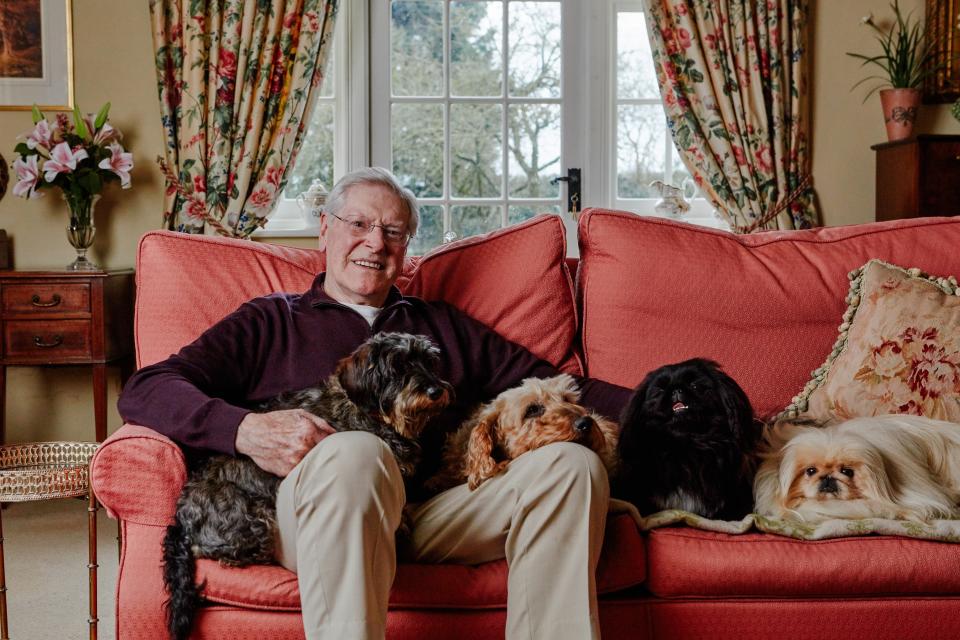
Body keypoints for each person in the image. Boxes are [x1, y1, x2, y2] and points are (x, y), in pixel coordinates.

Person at [118, 167, 631, 640]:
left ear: (408, 247)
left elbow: (559, 386)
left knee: (571, 464)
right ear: (324, 229)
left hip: (428, 517)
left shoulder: (441, 327)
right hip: (315, 516)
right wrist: (245, 430)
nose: (374, 242)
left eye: (392, 231)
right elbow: (148, 387)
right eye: (358, 223)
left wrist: (669, 402)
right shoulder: (270, 322)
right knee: (355, 451)